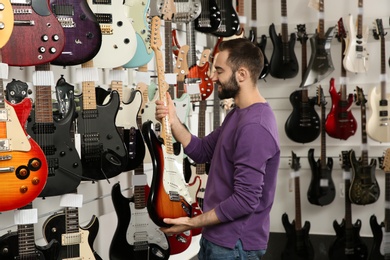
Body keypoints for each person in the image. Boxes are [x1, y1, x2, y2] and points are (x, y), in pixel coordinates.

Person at [155, 38, 280, 260]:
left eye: (219, 71)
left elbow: (246, 200)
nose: (212, 77)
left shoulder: (255, 127)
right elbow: (202, 150)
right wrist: (173, 121)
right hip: (219, 238)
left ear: (241, 74)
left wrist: (190, 223)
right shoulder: (238, 113)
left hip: (234, 245)